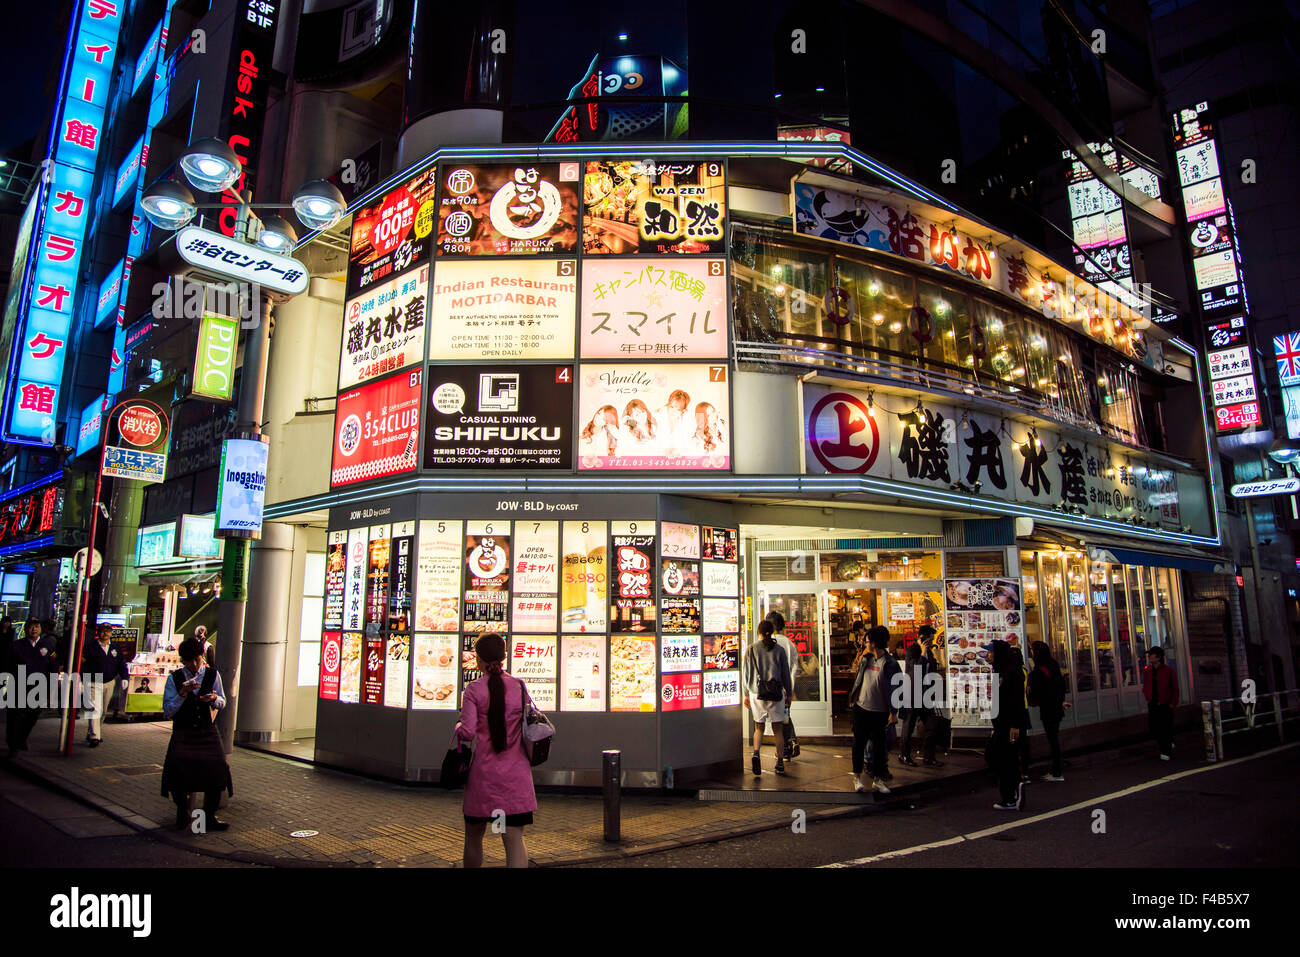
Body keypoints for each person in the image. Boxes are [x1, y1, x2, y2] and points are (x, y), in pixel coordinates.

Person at [455, 633, 536, 868]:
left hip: (484, 780)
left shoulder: (474, 690)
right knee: (512, 839)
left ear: (478, 660)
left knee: (474, 836)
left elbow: (467, 732)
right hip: (514, 779)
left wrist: (458, 726)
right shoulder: (519, 686)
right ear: (504, 657)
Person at [160, 637, 232, 832]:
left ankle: (208, 816)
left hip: (206, 730)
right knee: (177, 771)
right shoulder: (174, 678)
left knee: (218, 769)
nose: (192, 665)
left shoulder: (212, 674)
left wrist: (214, 699)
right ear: (182, 660)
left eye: (196, 660)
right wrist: (182, 693)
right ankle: (183, 810)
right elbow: (168, 710)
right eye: (187, 661)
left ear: (202, 657)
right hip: (183, 731)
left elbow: (222, 702)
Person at [849, 625, 901, 794]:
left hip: (880, 712)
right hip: (861, 708)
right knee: (859, 744)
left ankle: (878, 780)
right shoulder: (866, 659)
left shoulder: (890, 664)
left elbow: (896, 688)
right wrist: (854, 699)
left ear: (876, 643)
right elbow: (859, 679)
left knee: (880, 747)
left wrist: (894, 712)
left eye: (868, 641)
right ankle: (857, 777)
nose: (865, 643)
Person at [743, 620, 792, 777]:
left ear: (758, 632)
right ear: (772, 632)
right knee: (777, 729)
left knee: (759, 727)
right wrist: (789, 693)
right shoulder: (779, 650)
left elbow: (746, 673)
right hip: (776, 693)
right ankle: (779, 763)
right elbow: (785, 673)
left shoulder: (751, 649)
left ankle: (756, 753)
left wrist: (746, 693)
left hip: (757, 693)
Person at [4, 621, 58, 756]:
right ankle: (13, 745)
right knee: (15, 717)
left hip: (38, 686)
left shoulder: (48, 645)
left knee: (32, 715)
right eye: (31, 627)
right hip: (18, 686)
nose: (33, 629)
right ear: (26, 629)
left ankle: (21, 739)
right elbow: (7, 666)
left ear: (41, 629)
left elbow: (53, 665)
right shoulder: (16, 645)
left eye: (37, 626)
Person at [990, 639, 1028, 811]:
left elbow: (1016, 701)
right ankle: (1015, 787)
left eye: (991, 652)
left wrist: (1014, 725)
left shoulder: (1010, 673)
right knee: (1002, 757)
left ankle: (1010, 796)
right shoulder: (1000, 671)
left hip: (1008, 724)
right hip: (1001, 723)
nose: (987, 655)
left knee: (1003, 758)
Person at [899, 626, 943, 767]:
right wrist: (923, 653)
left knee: (932, 725)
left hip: (927, 695)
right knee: (909, 726)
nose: (931, 641)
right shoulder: (912, 650)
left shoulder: (930, 652)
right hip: (912, 694)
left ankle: (929, 757)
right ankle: (904, 755)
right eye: (930, 638)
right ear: (922, 637)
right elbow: (915, 670)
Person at [81, 624, 128, 748]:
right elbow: (82, 665)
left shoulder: (115, 648)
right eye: (102, 631)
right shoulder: (89, 648)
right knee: (94, 709)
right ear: (98, 633)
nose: (105, 634)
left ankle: (93, 731)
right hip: (93, 682)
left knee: (103, 711)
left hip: (109, 682)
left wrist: (125, 677)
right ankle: (94, 736)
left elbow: (121, 664)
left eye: (107, 631)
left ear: (111, 633)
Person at [1028, 641, 1068, 780]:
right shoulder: (1053, 664)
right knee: (1054, 739)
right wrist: (1061, 701)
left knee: (1052, 739)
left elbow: (1036, 693)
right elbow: (1061, 685)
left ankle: (1057, 772)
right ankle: (1056, 770)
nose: (1031, 653)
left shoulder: (1039, 669)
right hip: (1056, 707)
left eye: (1033, 651)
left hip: (1048, 708)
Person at [765, 610, 800, 760]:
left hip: (772, 687)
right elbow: (794, 667)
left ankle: (788, 746)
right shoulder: (789, 643)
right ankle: (789, 745)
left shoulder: (769, 642)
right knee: (784, 716)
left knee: (777, 720)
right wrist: (790, 688)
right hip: (786, 687)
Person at [1142, 646, 1179, 761]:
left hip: (1165, 703)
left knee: (1165, 726)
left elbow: (1175, 688)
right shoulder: (1148, 670)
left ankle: (1165, 751)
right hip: (1153, 702)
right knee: (1154, 726)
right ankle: (1166, 744)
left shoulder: (1168, 671)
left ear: (1158, 657)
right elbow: (1146, 684)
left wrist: (1173, 703)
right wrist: (1147, 695)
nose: (1149, 656)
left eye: (1151, 654)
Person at [656, 389, 691, 456]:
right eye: (671, 407)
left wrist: (678, 451)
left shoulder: (684, 420)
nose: (673, 411)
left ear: (683, 411)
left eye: (678, 409)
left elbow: (685, 441)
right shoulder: (659, 416)